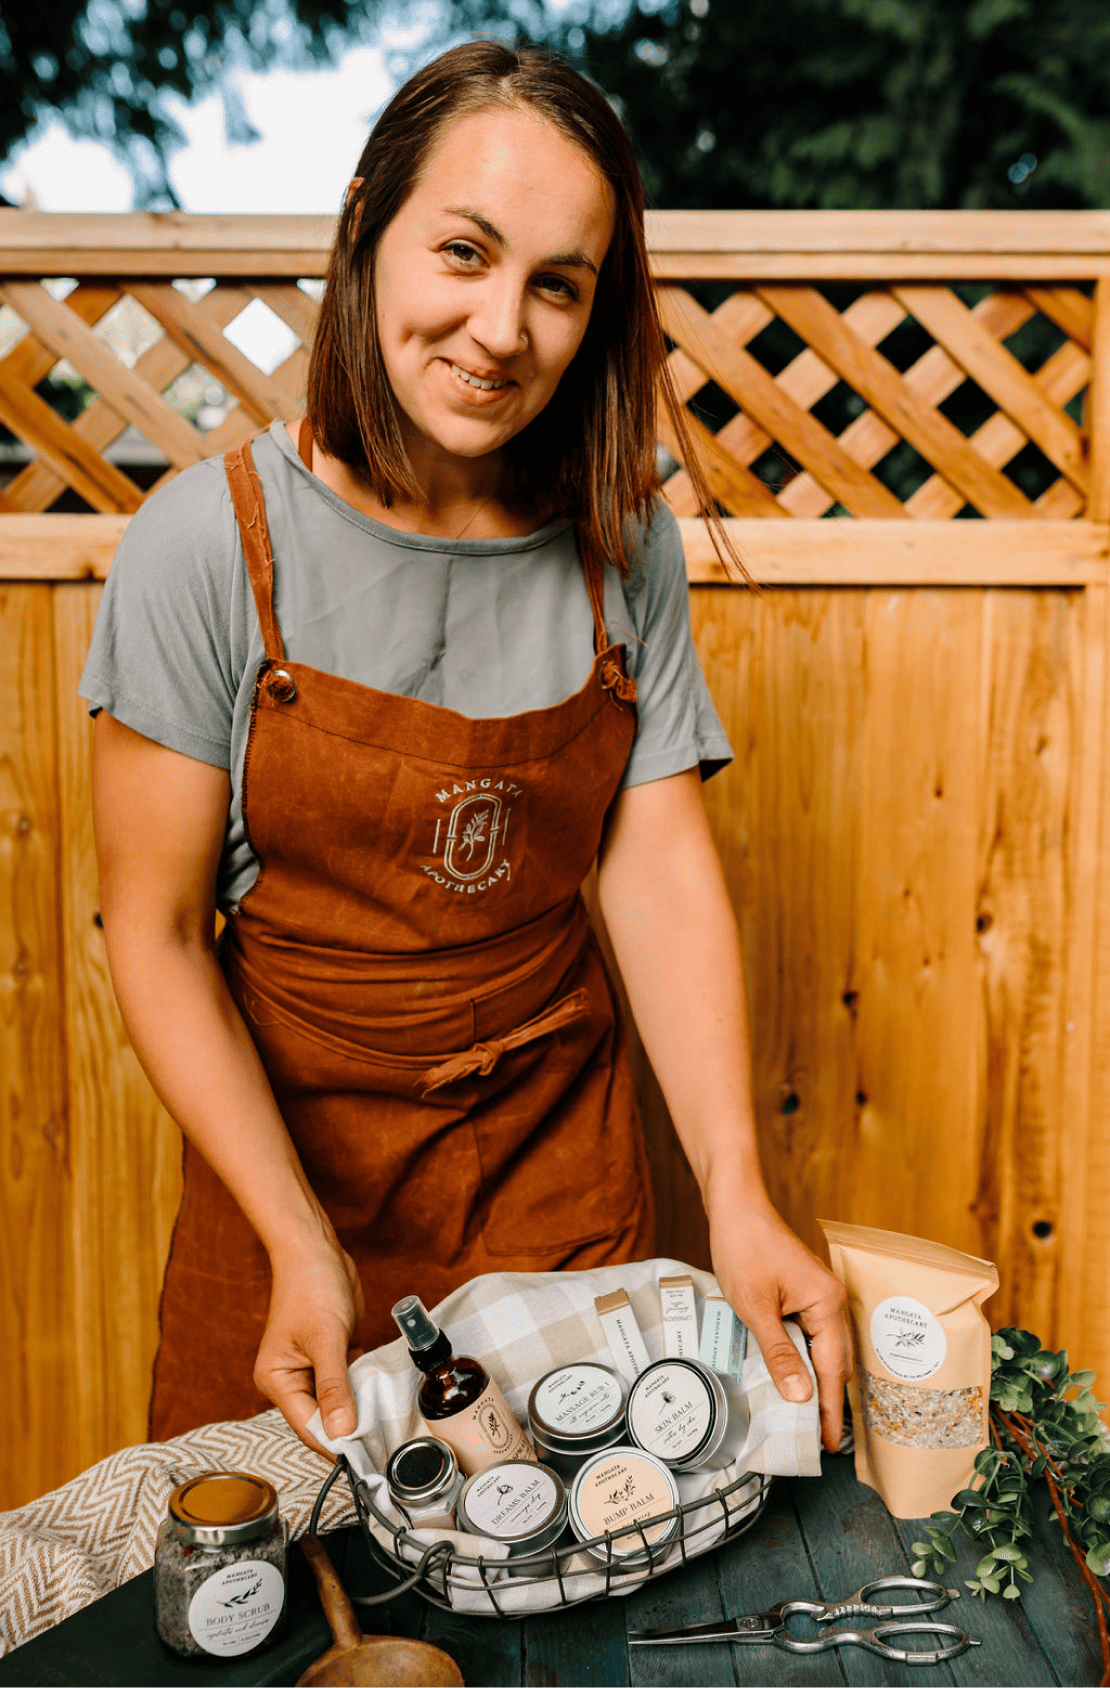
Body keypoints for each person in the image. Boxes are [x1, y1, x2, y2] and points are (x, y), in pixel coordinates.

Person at [82, 40, 851, 1454]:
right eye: (463, 252)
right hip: (289, 1196)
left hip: (561, 1180)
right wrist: (299, 1247)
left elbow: (656, 863)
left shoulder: (623, 553)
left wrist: (736, 1193)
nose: (502, 328)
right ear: (368, 224)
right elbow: (155, 935)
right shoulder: (204, 546)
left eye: (557, 285)